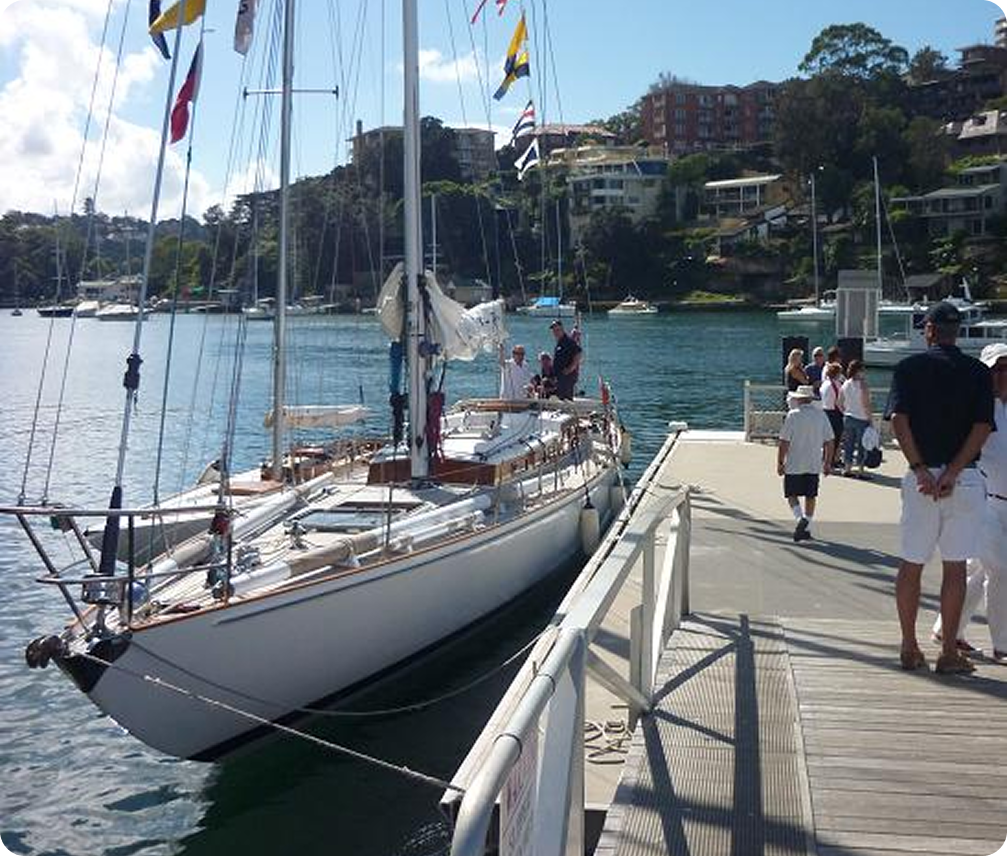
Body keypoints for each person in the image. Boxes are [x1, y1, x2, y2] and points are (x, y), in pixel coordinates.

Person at [884, 301, 995, 674]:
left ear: (928, 329)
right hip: (962, 481)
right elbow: (982, 427)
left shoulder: (908, 369)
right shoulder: (979, 373)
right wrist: (953, 471)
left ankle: (909, 645)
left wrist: (920, 469)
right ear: (957, 331)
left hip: (921, 481)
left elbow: (899, 421)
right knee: (954, 568)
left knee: (911, 564)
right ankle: (948, 651)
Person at [930, 342, 1007, 660]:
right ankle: (1003, 644)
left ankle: (945, 629)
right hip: (984, 500)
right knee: (1002, 570)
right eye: (998, 368)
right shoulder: (975, 407)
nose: (1003, 374)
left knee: (978, 571)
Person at [778, 384, 834, 542]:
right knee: (811, 495)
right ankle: (807, 526)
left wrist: (780, 462)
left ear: (798, 399)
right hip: (813, 463)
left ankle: (799, 519)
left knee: (791, 494)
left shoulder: (792, 415)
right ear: (811, 399)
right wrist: (828, 462)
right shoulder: (821, 415)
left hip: (794, 463)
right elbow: (830, 441)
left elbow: (784, 441)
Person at [838, 359, 872, 478]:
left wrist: (845, 412)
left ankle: (847, 468)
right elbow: (866, 404)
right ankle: (861, 470)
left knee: (849, 444)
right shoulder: (863, 385)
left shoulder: (846, 384)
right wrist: (870, 419)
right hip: (861, 418)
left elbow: (839, 403)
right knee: (862, 445)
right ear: (859, 371)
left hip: (848, 417)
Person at [820, 361, 845, 470]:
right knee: (835, 438)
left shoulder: (825, 383)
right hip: (835, 413)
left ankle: (825, 460)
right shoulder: (837, 384)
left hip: (825, 412)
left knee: (826, 438)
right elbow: (840, 401)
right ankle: (832, 461)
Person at [550, 319, 582, 401]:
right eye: (554, 330)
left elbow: (578, 353)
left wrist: (570, 368)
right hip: (560, 377)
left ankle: (569, 413)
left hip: (567, 377)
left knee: (566, 399)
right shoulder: (559, 342)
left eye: (557, 330)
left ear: (562, 329)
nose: (555, 332)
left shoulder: (568, 341)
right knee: (561, 398)